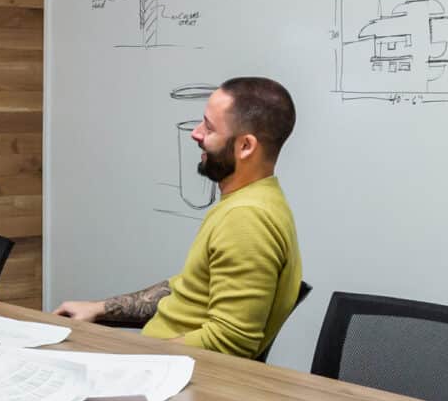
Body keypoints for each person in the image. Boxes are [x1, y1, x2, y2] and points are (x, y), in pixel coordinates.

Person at [54, 76, 304, 360]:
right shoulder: (252, 201)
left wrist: (130, 355)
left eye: (209, 128)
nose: (195, 133)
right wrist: (100, 308)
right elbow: (189, 288)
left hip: (177, 385)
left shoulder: (247, 220)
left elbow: (230, 342)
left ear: (246, 146)